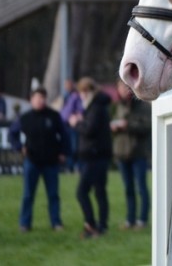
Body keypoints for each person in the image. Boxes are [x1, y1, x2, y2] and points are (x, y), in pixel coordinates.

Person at [10, 87, 69, 232]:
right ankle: (25, 223)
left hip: (51, 161)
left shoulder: (53, 116)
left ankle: (56, 222)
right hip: (32, 161)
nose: (40, 101)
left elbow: (64, 135)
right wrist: (19, 147)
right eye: (37, 98)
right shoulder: (25, 118)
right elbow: (12, 134)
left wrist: (63, 152)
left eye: (43, 98)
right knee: (28, 195)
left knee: (53, 195)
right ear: (31, 100)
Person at [70, 77, 112, 238]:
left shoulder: (95, 106)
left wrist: (76, 123)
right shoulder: (99, 105)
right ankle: (102, 226)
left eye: (81, 92)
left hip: (94, 155)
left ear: (86, 91)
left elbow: (89, 130)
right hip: (100, 154)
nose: (80, 96)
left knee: (81, 192)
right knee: (100, 191)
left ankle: (91, 224)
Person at [111, 80, 150, 230]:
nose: (124, 91)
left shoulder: (143, 105)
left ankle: (142, 220)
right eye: (121, 87)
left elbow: (147, 126)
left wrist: (128, 125)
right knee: (128, 188)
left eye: (127, 88)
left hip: (138, 152)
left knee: (141, 187)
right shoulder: (117, 106)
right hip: (121, 153)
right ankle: (130, 219)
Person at [58, 79, 83, 172]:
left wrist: (75, 117)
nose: (67, 87)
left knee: (74, 147)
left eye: (68, 84)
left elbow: (80, 109)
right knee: (68, 146)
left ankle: (76, 166)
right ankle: (69, 166)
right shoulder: (65, 96)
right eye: (66, 85)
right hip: (65, 125)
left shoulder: (75, 96)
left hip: (73, 125)